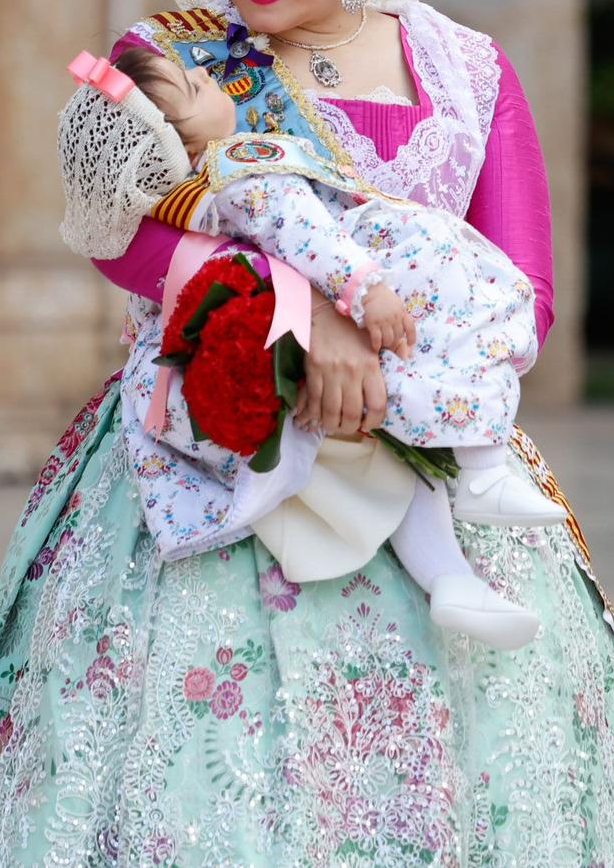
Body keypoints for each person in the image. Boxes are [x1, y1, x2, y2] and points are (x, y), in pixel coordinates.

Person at [0, 0, 614, 865]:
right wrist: (301, 317)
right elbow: (124, 237)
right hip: (220, 423)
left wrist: (396, 364)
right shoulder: (174, 58)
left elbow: (522, 287)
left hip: (435, 420)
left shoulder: (470, 71)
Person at [63, 39, 570, 651]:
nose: (201, 71)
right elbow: (301, 231)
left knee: (396, 454)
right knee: (398, 418)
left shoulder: (461, 62)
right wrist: (354, 295)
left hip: (295, 358)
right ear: (183, 147)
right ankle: (475, 489)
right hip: (304, 337)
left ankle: (452, 580)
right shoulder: (241, 164)